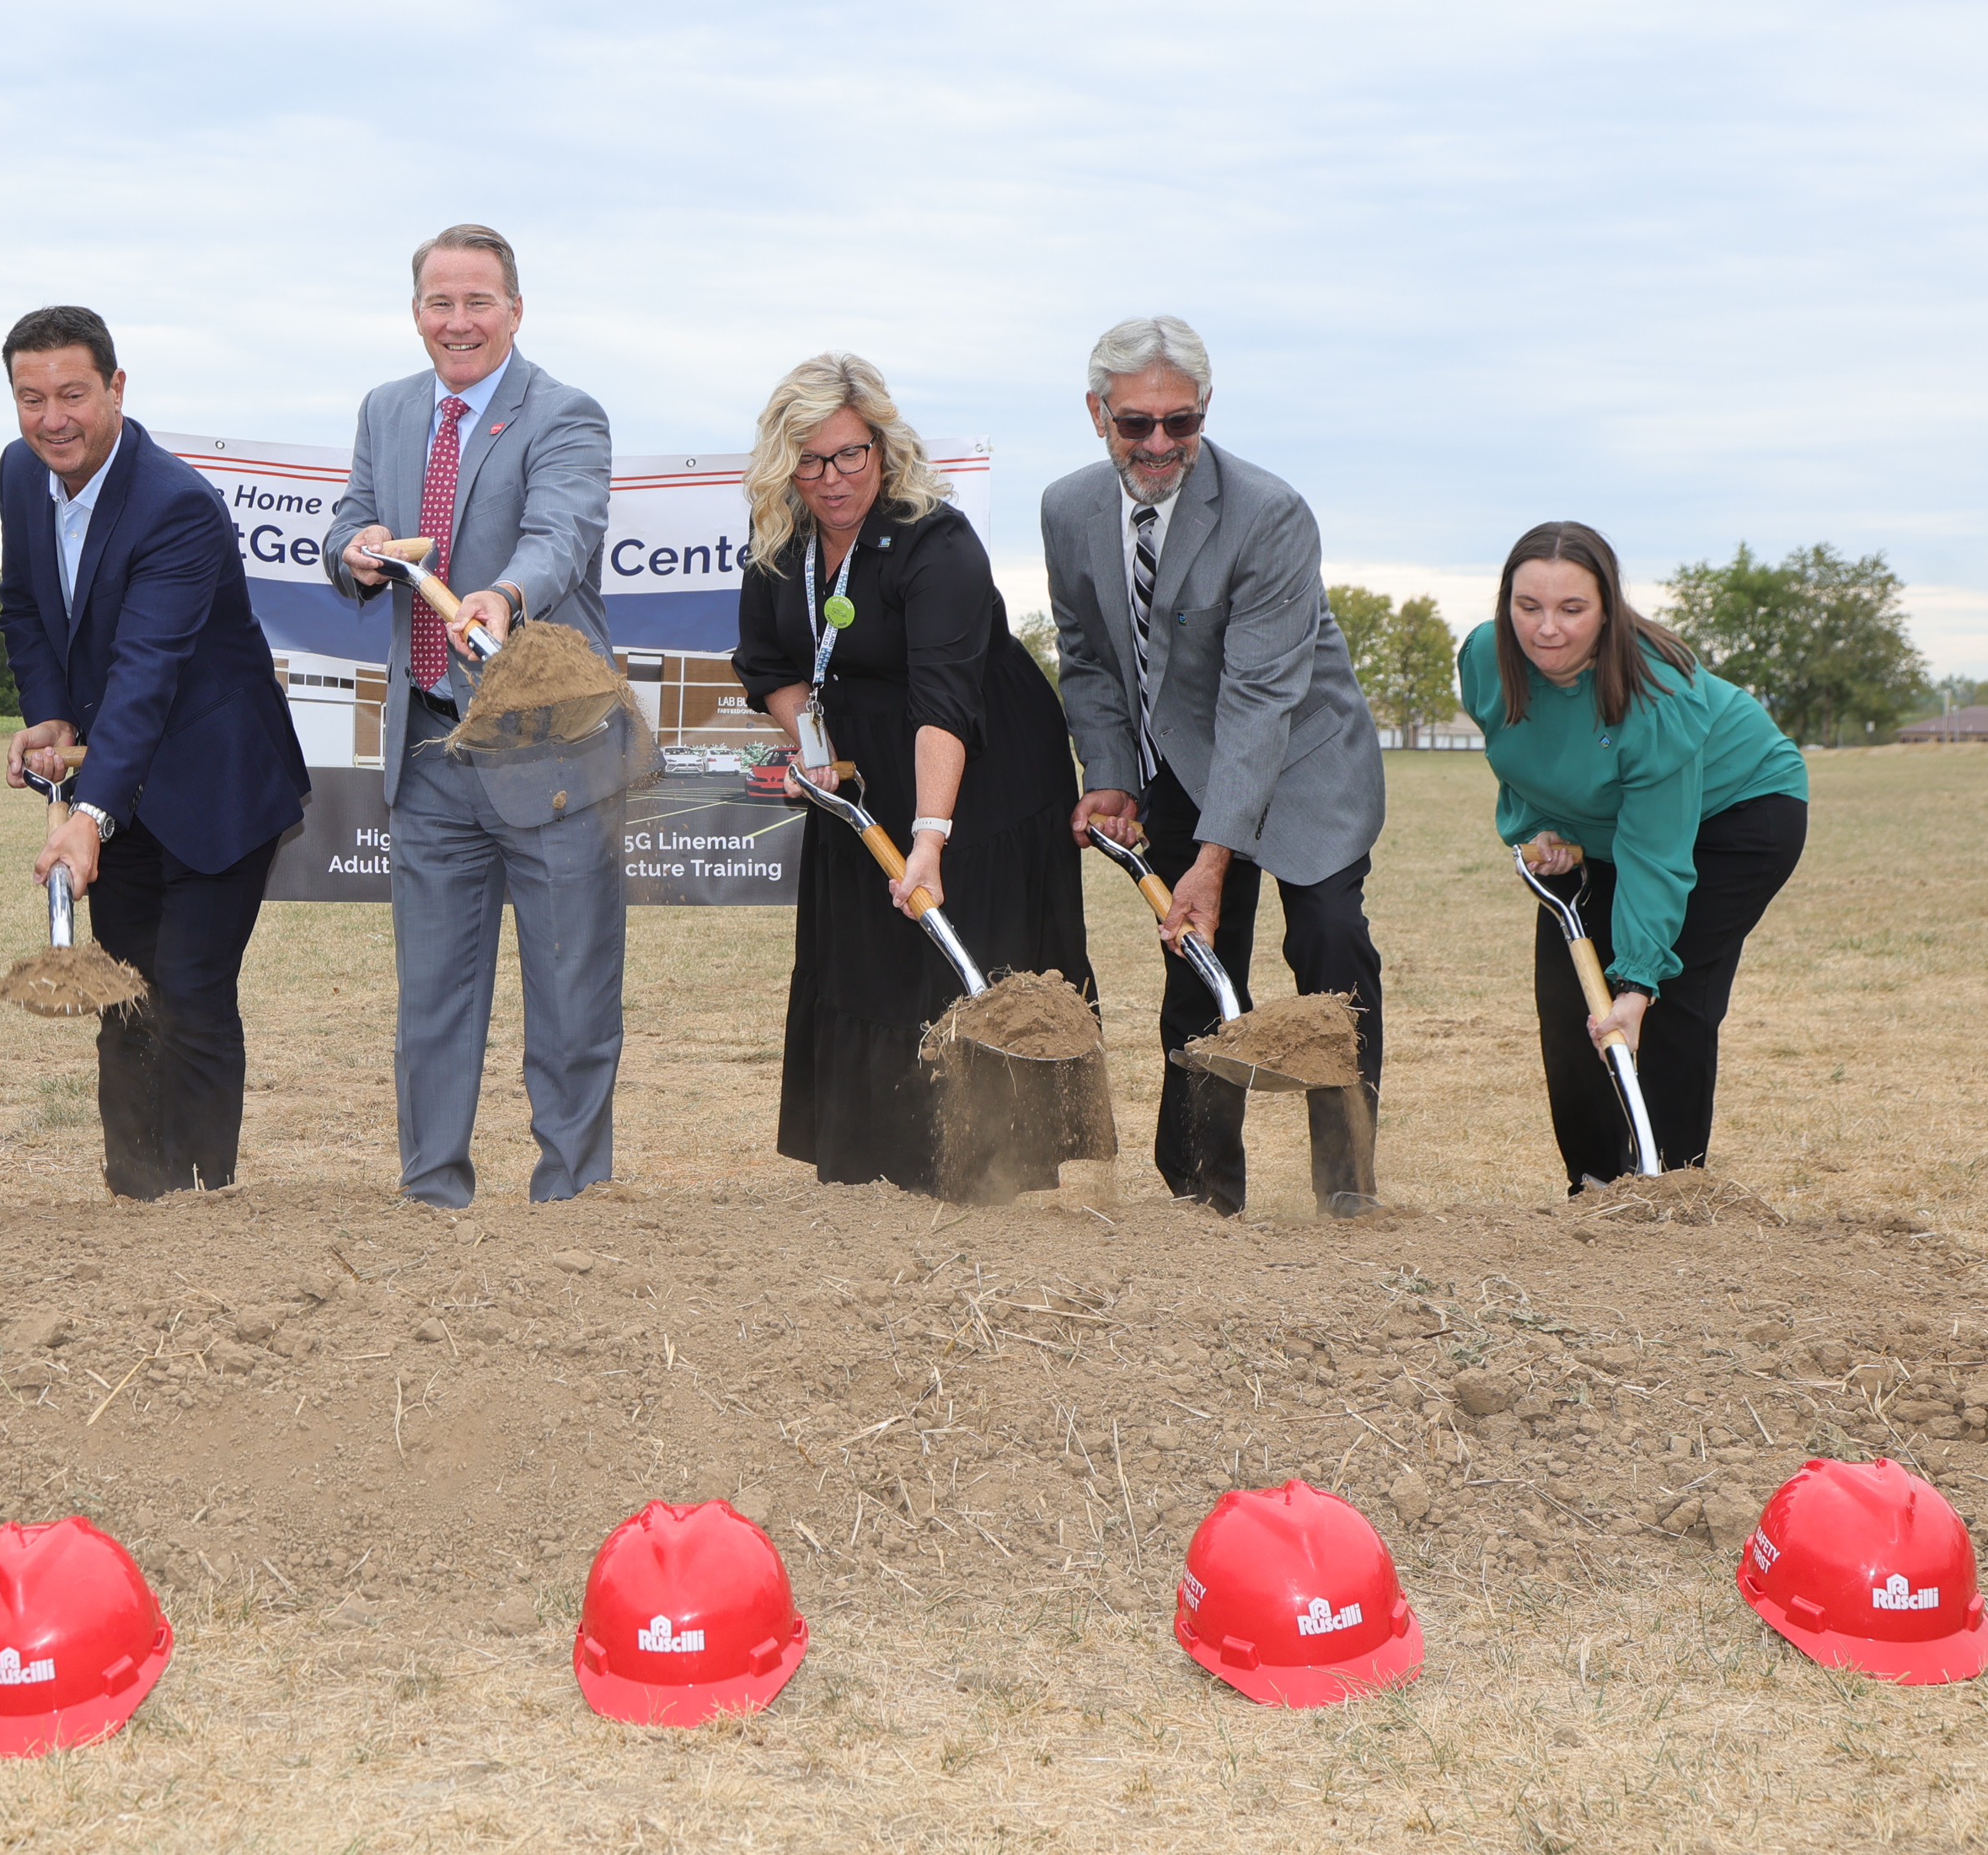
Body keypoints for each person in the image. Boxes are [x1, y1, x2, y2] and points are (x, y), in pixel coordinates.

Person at [1040, 315, 1387, 1217]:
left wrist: (1214, 854)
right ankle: (1202, 1191)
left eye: (1180, 422)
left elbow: (1260, 696)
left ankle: (1345, 1184)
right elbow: (1087, 655)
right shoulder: (1068, 509)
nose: (1159, 444)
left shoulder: (1269, 512)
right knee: (1198, 962)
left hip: (1305, 758)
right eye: (1136, 424)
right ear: (1096, 413)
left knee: (1330, 946)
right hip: (1181, 763)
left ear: (1204, 412)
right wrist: (1111, 771)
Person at [732, 353, 1096, 1198]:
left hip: (980, 771)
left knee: (964, 948)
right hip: (864, 781)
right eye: (810, 460)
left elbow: (945, 701)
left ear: (884, 449)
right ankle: (880, 1153)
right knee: (867, 959)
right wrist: (815, 750)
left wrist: (931, 835)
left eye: (849, 454)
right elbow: (769, 664)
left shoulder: (936, 539)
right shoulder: (782, 541)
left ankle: (992, 1164)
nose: (831, 479)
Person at [324, 224, 625, 1206]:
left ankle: (571, 1198)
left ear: (516, 311)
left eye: (478, 302)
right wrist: (356, 546)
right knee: (433, 1001)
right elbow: (347, 518)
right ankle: (432, 1195)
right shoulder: (386, 409)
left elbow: (562, 532)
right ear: (416, 314)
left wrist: (503, 596)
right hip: (428, 750)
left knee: (572, 992)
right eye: (440, 304)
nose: (459, 322)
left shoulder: (567, 414)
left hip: (548, 751)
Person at [0, 307, 309, 1198]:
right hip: (117, 774)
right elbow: (24, 608)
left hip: (216, 786)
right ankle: (137, 1194)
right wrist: (51, 719)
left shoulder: (176, 505)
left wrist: (88, 813)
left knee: (192, 993)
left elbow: (147, 670)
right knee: (125, 995)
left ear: (117, 390)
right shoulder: (22, 474)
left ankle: (206, 1197)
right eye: (31, 398)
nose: (52, 418)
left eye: (73, 395)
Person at [1461, 522, 1808, 1184]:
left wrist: (1639, 982)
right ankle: (1595, 1188)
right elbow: (1521, 755)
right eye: (1527, 606)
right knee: (1570, 1003)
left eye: (1572, 609)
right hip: (1612, 824)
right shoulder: (1485, 655)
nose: (1546, 630)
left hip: (1737, 813)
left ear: (1609, 608)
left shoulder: (1657, 691)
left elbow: (1656, 853)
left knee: (1665, 998)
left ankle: (1670, 1193)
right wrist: (1538, 829)